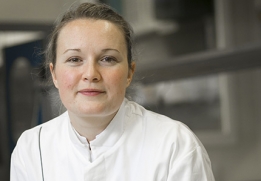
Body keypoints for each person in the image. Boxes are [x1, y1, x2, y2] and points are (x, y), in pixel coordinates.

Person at [10, 2, 215, 181]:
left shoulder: (175, 145)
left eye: (107, 59)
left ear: (129, 73)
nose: (91, 74)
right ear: (54, 74)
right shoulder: (31, 148)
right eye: (74, 59)